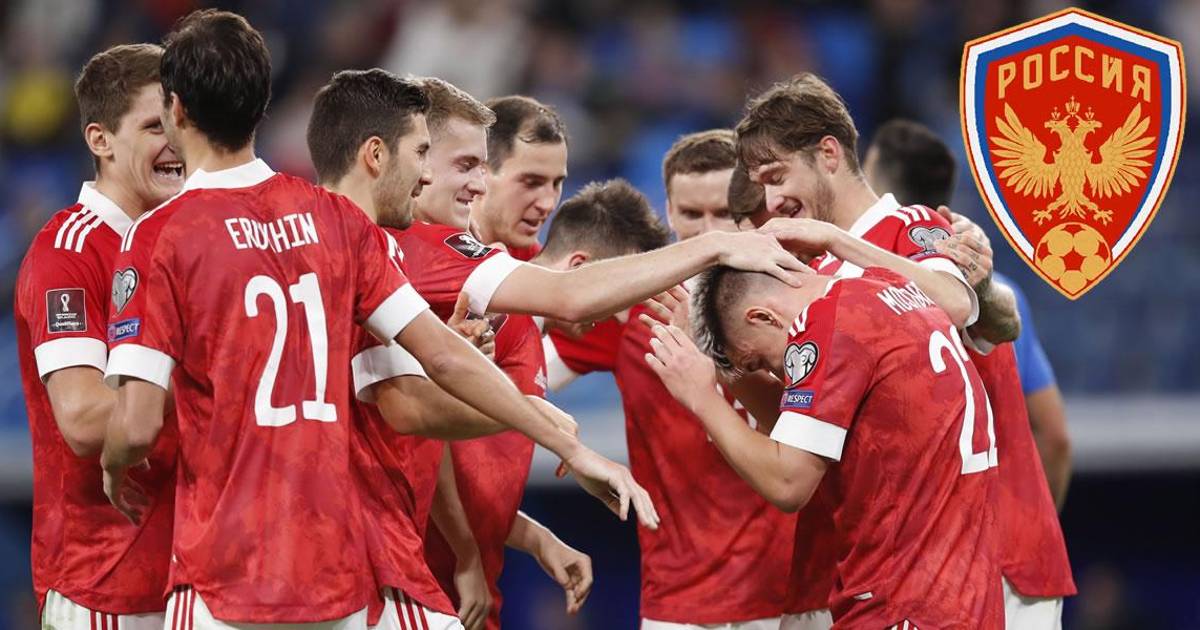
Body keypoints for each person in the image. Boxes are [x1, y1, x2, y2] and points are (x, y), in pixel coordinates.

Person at [100, 11, 655, 629]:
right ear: (262, 103)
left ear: (176, 109)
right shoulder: (339, 222)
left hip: (220, 573)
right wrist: (567, 445)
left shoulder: (158, 236)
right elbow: (441, 356)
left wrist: (115, 466)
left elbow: (138, 425)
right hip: (334, 571)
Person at [646, 265, 1005, 629]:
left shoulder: (826, 322)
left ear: (763, 316)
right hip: (965, 598)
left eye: (759, 362)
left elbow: (788, 483)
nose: (774, 372)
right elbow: (803, 428)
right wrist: (715, 361)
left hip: (902, 603)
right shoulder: (886, 286)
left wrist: (701, 397)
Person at [542, 130, 801, 630]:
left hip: (792, 594)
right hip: (679, 603)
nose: (708, 233)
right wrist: (554, 432)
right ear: (668, 213)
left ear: (748, 209)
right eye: (691, 214)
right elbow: (519, 376)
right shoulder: (631, 309)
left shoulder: (792, 303)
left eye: (722, 214)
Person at [863, 118, 1075, 627]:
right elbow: (1055, 436)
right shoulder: (1003, 292)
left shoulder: (877, 297)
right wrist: (1031, 525)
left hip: (946, 560)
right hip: (1013, 557)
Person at [14, 43, 181, 630]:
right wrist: (212, 387)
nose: (176, 143)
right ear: (100, 140)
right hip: (108, 585)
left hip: (199, 578)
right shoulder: (68, 253)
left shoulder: (187, 242)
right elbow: (83, 419)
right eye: (154, 127)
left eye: (181, 124)